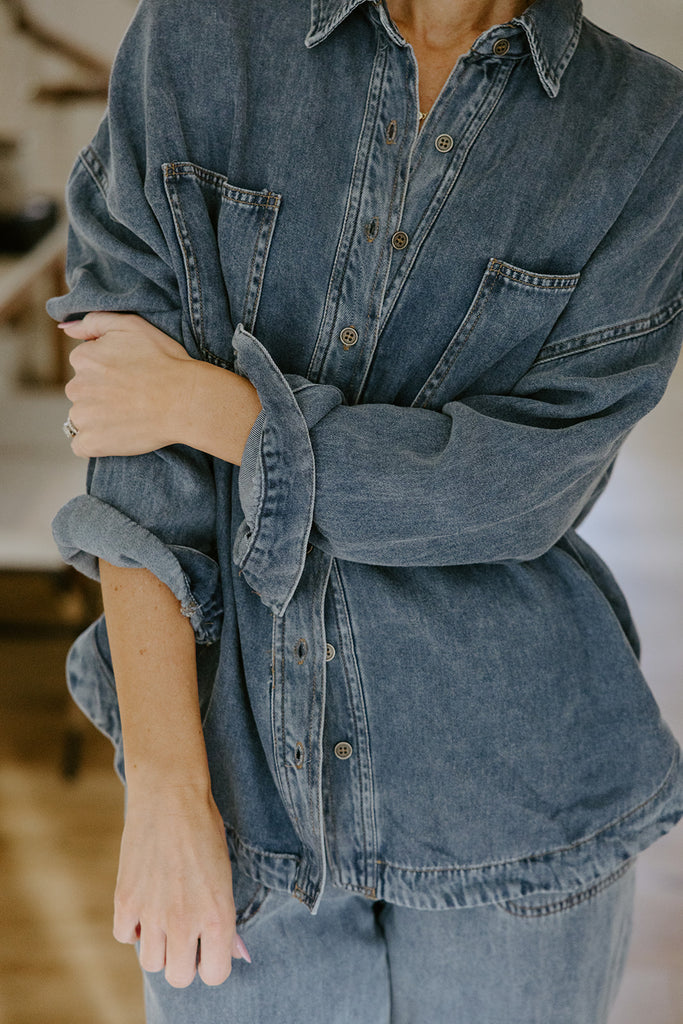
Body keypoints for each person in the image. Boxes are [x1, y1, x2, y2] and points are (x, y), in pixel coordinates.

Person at [49, 0, 682, 1020]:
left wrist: (230, 414)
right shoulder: (199, 38)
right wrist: (168, 784)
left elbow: (519, 491)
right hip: (232, 794)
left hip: (516, 811)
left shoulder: (646, 128)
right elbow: (134, 454)